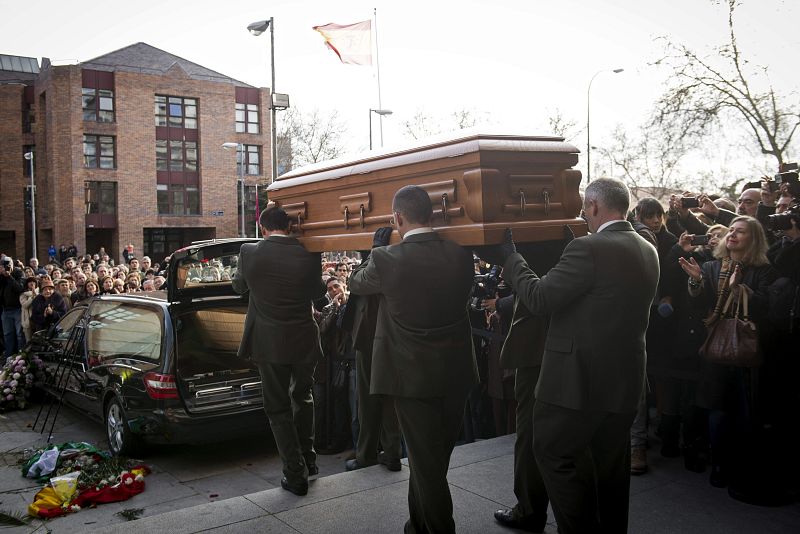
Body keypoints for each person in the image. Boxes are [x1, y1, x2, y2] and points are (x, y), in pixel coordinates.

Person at [496, 178, 659, 533]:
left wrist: (512, 259)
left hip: (576, 383)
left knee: (553, 453)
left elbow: (538, 299)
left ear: (596, 206)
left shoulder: (588, 249)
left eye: (585, 207)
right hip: (624, 382)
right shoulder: (647, 248)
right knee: (610, 469)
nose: (583, 214)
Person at [349, 185, 477, 534]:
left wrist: (373, 249)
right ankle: (417, 525)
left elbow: (356, 283)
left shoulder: (387, 259)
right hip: (456, 372)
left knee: (426, 463)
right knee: (431, 460)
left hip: (411, 375)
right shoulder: (461, 255)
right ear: (433, 215)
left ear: (398, 218)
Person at [679, 216, 778, 501]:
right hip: (715, 347)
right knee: (718, 411)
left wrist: (742, 290)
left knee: (746, 414)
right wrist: (697, 283)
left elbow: (767, 309)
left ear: (754, 239)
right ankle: (719, 465)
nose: (732, 234)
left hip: (747, 349)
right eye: (731, 230)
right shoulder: (710, 267)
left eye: (741, 232)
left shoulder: (763, 271)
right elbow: (698, 307)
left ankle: (741, 468)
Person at [233, 205, 324, 497]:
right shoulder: (309, 253)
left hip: (270, 343)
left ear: (262, 228)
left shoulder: (249, 253)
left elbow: (238, 287)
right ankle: (309, 461)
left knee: (278, 408)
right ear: (289, 226)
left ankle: (294, 473)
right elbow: (318, 293)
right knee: (303, 397)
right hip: (304, 339)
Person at [1, 257, 26, 356]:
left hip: (17, 309)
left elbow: (20, 288)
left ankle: (20, 357)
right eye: (4, 265)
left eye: (8, 265)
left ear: (12, 264)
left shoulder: (18, 272)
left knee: (20, 334)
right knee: (7, 334)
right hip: (5, 310)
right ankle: (9, 357)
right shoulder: (1, 275)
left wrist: (9, 276)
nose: (7, 267)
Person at [19, 277, 39, 342]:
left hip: (38, 320)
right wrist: (32, 297)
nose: (32, 283)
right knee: (29, 341)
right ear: (27, 284)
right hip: (28, 321)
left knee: (38, 340)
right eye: (30, 282)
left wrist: (35, 294)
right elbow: (25, 305)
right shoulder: (23, 294)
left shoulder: (40, 293)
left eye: (33, 282)